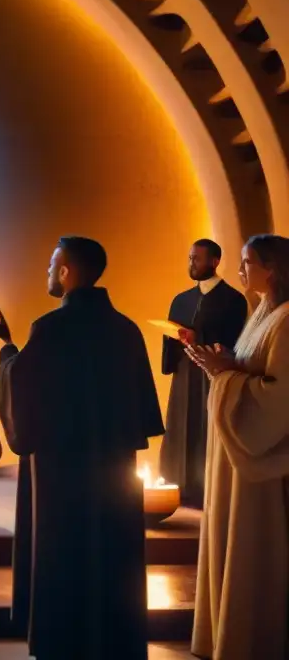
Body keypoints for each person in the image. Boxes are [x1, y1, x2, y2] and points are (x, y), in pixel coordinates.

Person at [0, 236, 165, 660]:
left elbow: (20, 382)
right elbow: (140, 410)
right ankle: (114, 638)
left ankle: (62, 639)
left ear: (66, 272)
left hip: (61, 470)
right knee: (109, 550)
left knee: (65, 550)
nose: (46, 272)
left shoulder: (50, 328)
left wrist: (6, 348)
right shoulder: (125, 329)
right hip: (112, 468)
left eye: (51, 265)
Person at [186, 234, 289, 660]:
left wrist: (226, 374)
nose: (241, 269)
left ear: (273, 269)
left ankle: (253, 641)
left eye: (248, 262)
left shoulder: (286, 320)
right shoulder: (265, 312)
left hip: (259, 465)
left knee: (252, 551)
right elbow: (252, 369)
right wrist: (225, 364)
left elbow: (279, 397)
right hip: (237, 458)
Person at [159, 239, 247, 508]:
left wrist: (201, 337)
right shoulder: (181, 299)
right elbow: (173, 339)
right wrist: (176, 338)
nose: (192, 263)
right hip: (185, 375)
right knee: (181, 426)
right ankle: (179, 486)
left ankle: (207, 489)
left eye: (197, 258)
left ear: (215, 261)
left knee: (204, 427)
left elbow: (236, 343)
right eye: (189, 258)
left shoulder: (233, 300)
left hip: (211, 377)